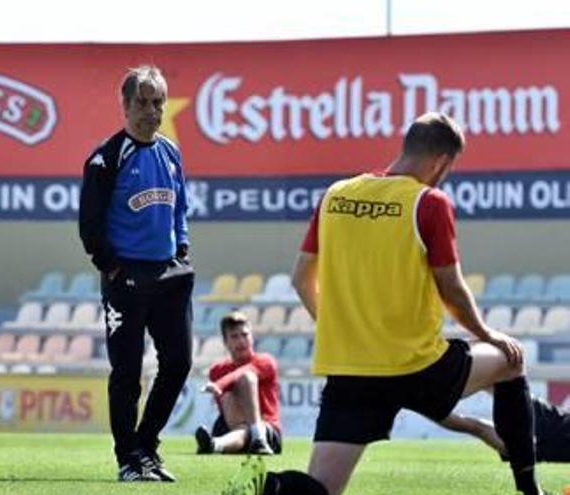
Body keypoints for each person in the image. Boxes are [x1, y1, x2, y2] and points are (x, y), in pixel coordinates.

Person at [221, 112, 550, 495]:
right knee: (512, 360)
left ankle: (266, 487)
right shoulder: (428, 202)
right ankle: (529, 489)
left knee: (321, 488)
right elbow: (452, 289)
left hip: (352, 371)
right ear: (441, 160)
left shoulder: (336, 195)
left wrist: (335, 328)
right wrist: (486, 333)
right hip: (418, 365)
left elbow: (300, 278)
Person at [79, 64, 194, 482]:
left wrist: (181, 250)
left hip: (170, 276)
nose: (151, 110)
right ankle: (128, 458)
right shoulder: (106, 159)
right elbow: (89, 225)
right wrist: (112, 267)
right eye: (142, 102)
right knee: (127, 373)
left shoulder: (170, 152)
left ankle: (146, 445)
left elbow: (181, 209)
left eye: (157, 102)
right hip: (126, 279)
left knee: (179, 363)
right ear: (125, 106)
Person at [196, 311, 282, 456]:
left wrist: (219, 384)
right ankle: (218, 444)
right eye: (234, 336)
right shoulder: (217, 370)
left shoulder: (266, 361)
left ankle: (257, 438)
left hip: (267, 428)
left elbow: (244, 372)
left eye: (245, 335)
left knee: (247, 378)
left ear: (252, 337)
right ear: (225, 342)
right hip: (233, 424)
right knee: (229, 398)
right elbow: (227, 406)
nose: (241, 341)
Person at [441, 393, 570, 463]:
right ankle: (432, 409)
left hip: (537, 444)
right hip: (543, 431)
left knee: (477, 428)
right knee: (477, 428)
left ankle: (432, 408)